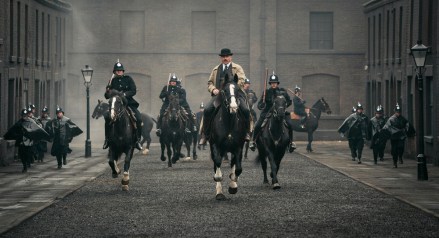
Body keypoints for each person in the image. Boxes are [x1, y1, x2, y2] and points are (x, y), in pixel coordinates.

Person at [199, 48, 251, 145]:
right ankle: (205, 135)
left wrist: (232, 87)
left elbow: (242, 80)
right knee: (207, 110)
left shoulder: (238, 68)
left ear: (230, 57)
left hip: (235, 95)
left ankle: (246, 133)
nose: (225, 58)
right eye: (223, 57)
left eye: (227, 56)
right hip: (219, 96)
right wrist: (213, 89)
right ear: (221, 58)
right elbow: (209, 82)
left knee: (245, 110)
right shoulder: (215, 69)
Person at [249, 72, 296, 153]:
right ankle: (253, 142)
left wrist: (283, 107)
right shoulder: (266, 92)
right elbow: (259, 105)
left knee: (290, 125)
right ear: (270, 84)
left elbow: (289, 102)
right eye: (272, 83)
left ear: (277, 83)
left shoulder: (283, 92)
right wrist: (262, 105)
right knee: (257, 125)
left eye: (275, 83)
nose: (273, 84)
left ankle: (291, 143)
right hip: (267, 112)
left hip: (280, 112)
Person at [104, 61, 143, 150]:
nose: (119, 72)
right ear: (114, 72)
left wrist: (124, 95)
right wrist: (107, 91)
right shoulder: (112, 81)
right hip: (116, 105)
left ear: (123, 71)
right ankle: (107, 139)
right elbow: (106, 96)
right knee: (107, 117)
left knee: (139, 118)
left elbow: (133, 91)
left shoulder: (128, 79)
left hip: (128, 103)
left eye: (120, 70)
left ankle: (137, 140)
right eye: (117, 71)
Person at [382, 103, 415, 168]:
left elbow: (407, 125)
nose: (398, 113)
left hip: (401, 136)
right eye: (397, 112)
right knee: (394, 150)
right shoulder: (391, 119)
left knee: (401, 147)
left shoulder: (403, 119)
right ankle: (395, 162)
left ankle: (400, 157)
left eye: (399, 112)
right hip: (394, 137)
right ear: (395, 112)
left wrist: (409, 132)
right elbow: (386, 127)